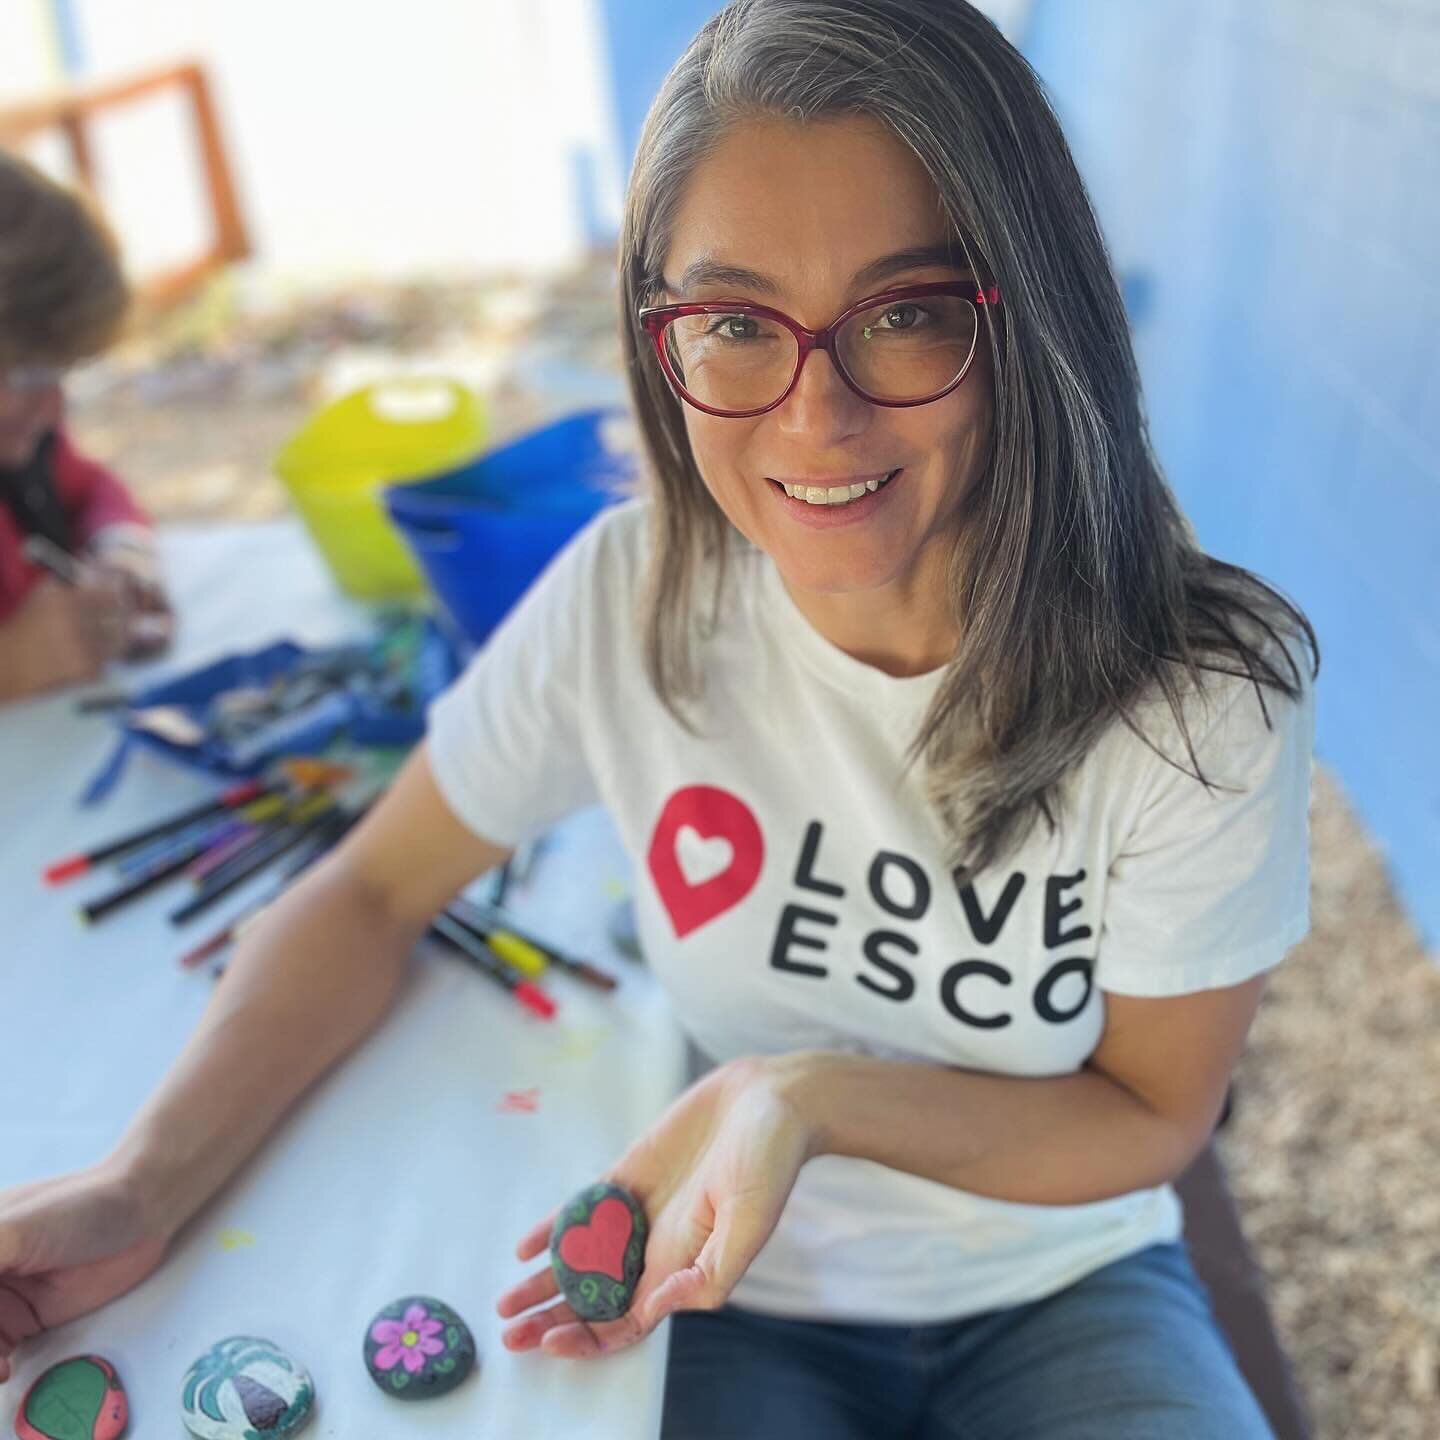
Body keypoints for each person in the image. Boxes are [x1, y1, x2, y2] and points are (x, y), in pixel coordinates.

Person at [0, 2, 1317, 1435]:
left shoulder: (1202, 694)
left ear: (1035, 310)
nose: (817, 417)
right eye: (738, 325)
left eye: (909, 313)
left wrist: (804, 1097)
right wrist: (144, 1185)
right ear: (657, 336)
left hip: (1069, 1286)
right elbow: (372, 889)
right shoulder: (634, 597)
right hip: (720, 1294)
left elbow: (1151, 1118)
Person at [0, 148, 173, 702]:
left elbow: (93, 488)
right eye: (24, 374)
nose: (52, 406)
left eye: (60, 372)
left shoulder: (23, 445)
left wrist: (121, 555)